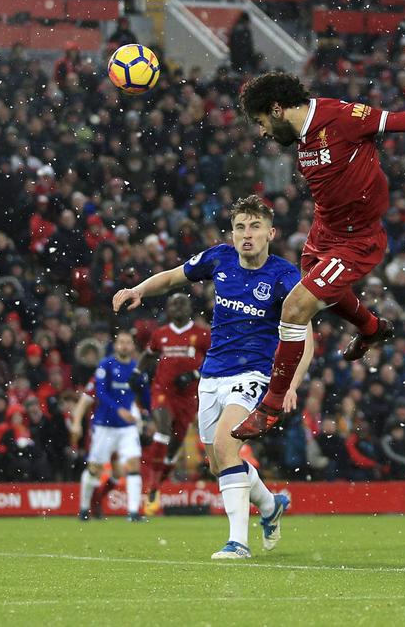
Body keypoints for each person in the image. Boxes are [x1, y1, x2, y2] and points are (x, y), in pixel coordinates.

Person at [232, 73, 405, 439]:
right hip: (322, 233)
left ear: (277, 109)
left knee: (295, 307)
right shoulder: (302, 136)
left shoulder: (341, 117)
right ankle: (372, 328)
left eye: (263, 121)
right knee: (321, 296)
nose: (263, 131)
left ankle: (271, 406)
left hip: (358, 240)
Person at [113, 196, 312, 558]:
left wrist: (292, 384)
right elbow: (174, 277)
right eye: (240, 227)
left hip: (254, 373)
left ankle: (238, 542)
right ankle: (270, 505)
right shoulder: (219, 258)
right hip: (213, 375)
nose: (246, 235)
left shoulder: (285, 276)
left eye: (254, 227)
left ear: (271, 232)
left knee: (226, 443)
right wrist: (139, 289)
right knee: (219, 461)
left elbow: (306, 333)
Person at [136, 293, 209, 514]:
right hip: (162, 390)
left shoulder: (202, 334)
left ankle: (158, 482)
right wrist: (137, 371)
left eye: (182, 302)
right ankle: (151, 484)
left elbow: (217, 359)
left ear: (190, 307)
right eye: (173, 303)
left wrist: (194, 374)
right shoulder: (161, 334)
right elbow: (149, 354)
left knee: (174, 447)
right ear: (167, 309)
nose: (177, 307)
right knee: (163, 430)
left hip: (187, 397)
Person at [70, 330, 148, 522]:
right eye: (121, 342)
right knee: (95, 469)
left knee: (132, 465)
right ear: (115, 345)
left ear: (132, 346)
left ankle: (133, 513)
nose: (124, 346)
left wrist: (149, 414)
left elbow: (145, 394)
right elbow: (95, 395)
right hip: (104, 426)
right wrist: (76, 422)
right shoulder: (105, 366)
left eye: (128, 343)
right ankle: (85, 508)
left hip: (126, 427)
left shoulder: (136, 369)